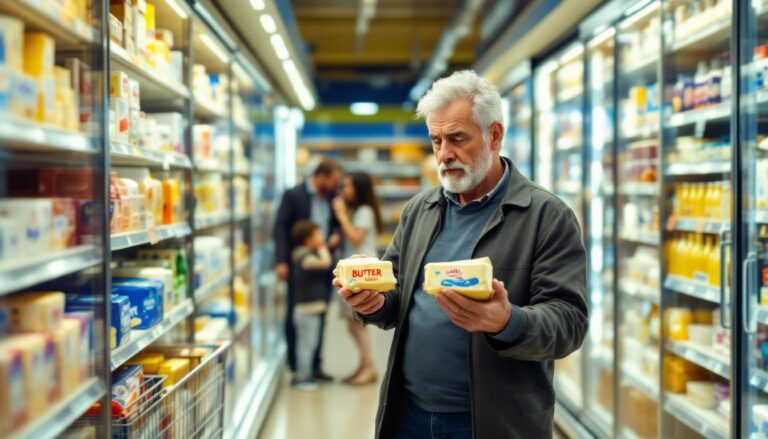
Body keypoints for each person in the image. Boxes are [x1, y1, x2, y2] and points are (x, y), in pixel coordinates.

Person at [334, 70, 588, 438]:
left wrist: (507, 321)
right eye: (435, 140)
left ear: (494, 135)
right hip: (409, 415)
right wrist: (371, 301)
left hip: (492, 422)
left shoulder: (547, 217)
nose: (444, 154)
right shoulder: (420, 209)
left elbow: (569, 324)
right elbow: (395, 296)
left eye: (457, 138)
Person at [275, 159, 342, 380]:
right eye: (332, 181)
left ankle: (315, 365)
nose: (335, 185)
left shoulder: (332, 197)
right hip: (301, 264)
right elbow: (281, 228)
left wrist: (334, 236)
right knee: (296, 313)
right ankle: (297, 366)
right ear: (320, 176)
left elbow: (336, 224)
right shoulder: (294, 195)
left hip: (324, 263)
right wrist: (282, 261)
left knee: (320, 312)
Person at [331, 172, 384, 386]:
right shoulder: (358, 210)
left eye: (349, 186)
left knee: (358, 322)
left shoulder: (364, 210)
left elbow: (356, 237)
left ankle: (369, 366)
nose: (344, 190)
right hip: (353, 270)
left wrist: (341, 215)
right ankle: (364, 364)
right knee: (352, 323)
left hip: (362, 271)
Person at [289, 220, 333, 390]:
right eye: (318, 235)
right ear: (307, 238)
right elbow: (325, 263)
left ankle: (304, 373)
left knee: (309, 343)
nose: (321, 237)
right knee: (307, 345)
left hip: (310, 310)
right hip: (307, 310)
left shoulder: (304, 253)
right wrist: (323, 247)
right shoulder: (305, 256)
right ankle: (302, 376)